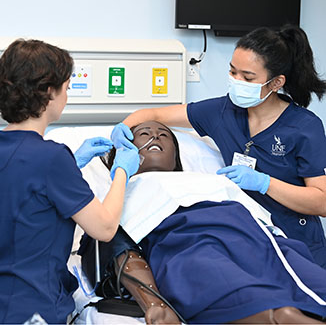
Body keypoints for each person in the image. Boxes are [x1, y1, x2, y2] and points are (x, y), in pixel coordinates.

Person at [111, 25, 326, 268]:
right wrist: (121, 130)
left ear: (276, 82)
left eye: (247, 77)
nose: (236, 81)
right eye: (232, 72)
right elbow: (154, 113)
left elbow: (322, 201)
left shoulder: (305, 127)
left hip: (298, 246)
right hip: (248, 242)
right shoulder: (222, 112)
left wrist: (264, 183)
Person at [79, 120, 326, 324]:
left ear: (176, 155)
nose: (155, 137)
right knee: (253, 301)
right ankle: (281, 316)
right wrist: (153, 302)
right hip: (190, 245)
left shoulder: (210, 179)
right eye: (143, 134)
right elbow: (104, 238)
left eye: (164, 135)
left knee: (314, 285)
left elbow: (262, 221)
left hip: (254, 239)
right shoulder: (120, 191)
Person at [0, 39, 140, 324]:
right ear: (49, 92)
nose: (67, 94)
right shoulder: (52, 158)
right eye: (67, 86)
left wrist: (71, 165)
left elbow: (16, 193)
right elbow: (104, 228)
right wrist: (122, 172)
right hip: (32, 310)